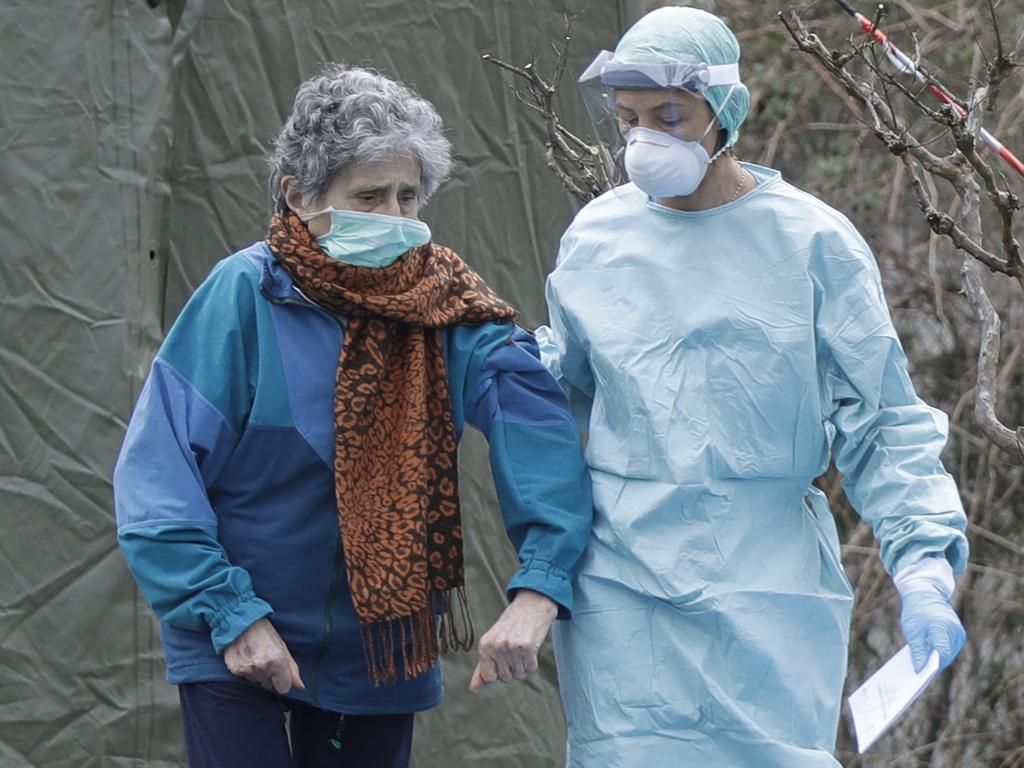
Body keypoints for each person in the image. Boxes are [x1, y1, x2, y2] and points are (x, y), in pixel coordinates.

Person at [113, 64, 592, 768]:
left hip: (381, 646)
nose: (397, 218)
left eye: (408, 195)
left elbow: (537, 433)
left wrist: (541, 584)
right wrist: (228, 615)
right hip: (234, 632)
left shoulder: (447, 304)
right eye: (369, 196)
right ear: (297, 195)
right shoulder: (243, 296)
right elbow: (158, 478)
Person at [536, 7, 968, 767]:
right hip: (623, 584)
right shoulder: (598, 237)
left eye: (669, 116)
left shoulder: (811, 243)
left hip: (768, 585)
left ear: (726, 111)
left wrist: (924, 563)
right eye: (629, 117)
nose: (643, 139)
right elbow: (557, 388)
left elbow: (881, 420)